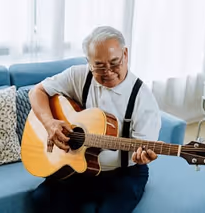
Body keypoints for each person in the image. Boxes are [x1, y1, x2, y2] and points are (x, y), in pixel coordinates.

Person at [29, 26, 161, 213]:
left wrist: (143, 156)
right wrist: (49, 123)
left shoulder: (143, 98)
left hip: (124, 173)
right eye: (99, 65)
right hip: (81, 168)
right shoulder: (79, 75)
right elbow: (38, 91)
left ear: (125, 54)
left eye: (115, 63)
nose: (108, 71)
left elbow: (143, 148)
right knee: (41, 199)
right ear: (88, 62)